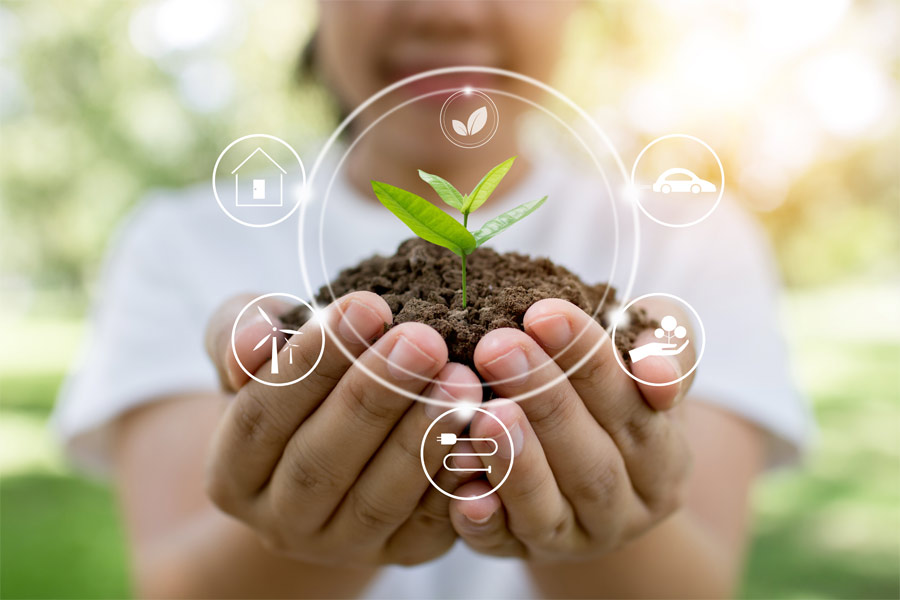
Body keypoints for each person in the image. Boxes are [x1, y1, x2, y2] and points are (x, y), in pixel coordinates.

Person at [54, 2, 811, 598]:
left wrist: (607, 511)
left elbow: (696, 589)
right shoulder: (181, 241)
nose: (447, 9)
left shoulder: (688, 238)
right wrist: (310, 525)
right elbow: (175, 587)